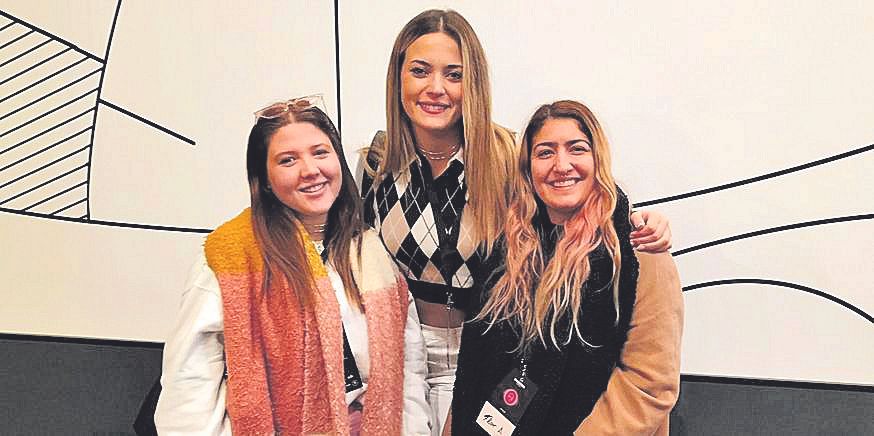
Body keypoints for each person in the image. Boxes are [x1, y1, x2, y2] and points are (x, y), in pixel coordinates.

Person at [361, 9, 673, 436]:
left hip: (489, 356)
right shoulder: (375, 167)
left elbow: (579, 200)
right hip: (407, 360)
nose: (436, 88)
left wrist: (641, 220)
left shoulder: (508, 156)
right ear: (398, 78)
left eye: (454, 74)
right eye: (420, 71)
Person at [155, 96, 430, 435]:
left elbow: (409, 370)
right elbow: (189, 386)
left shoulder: (370, 251)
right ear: (265, 178)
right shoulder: (231, 258)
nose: (310, 170)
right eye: (288, 160)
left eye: (320, 152)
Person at [449, 100, 683, 435]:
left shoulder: (638, 249)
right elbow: (475, 367)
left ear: (597, 159)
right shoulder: (507, 251)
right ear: (528, 169)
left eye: (577, 149)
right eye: (545, 152)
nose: (562, 165)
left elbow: (649, 385)